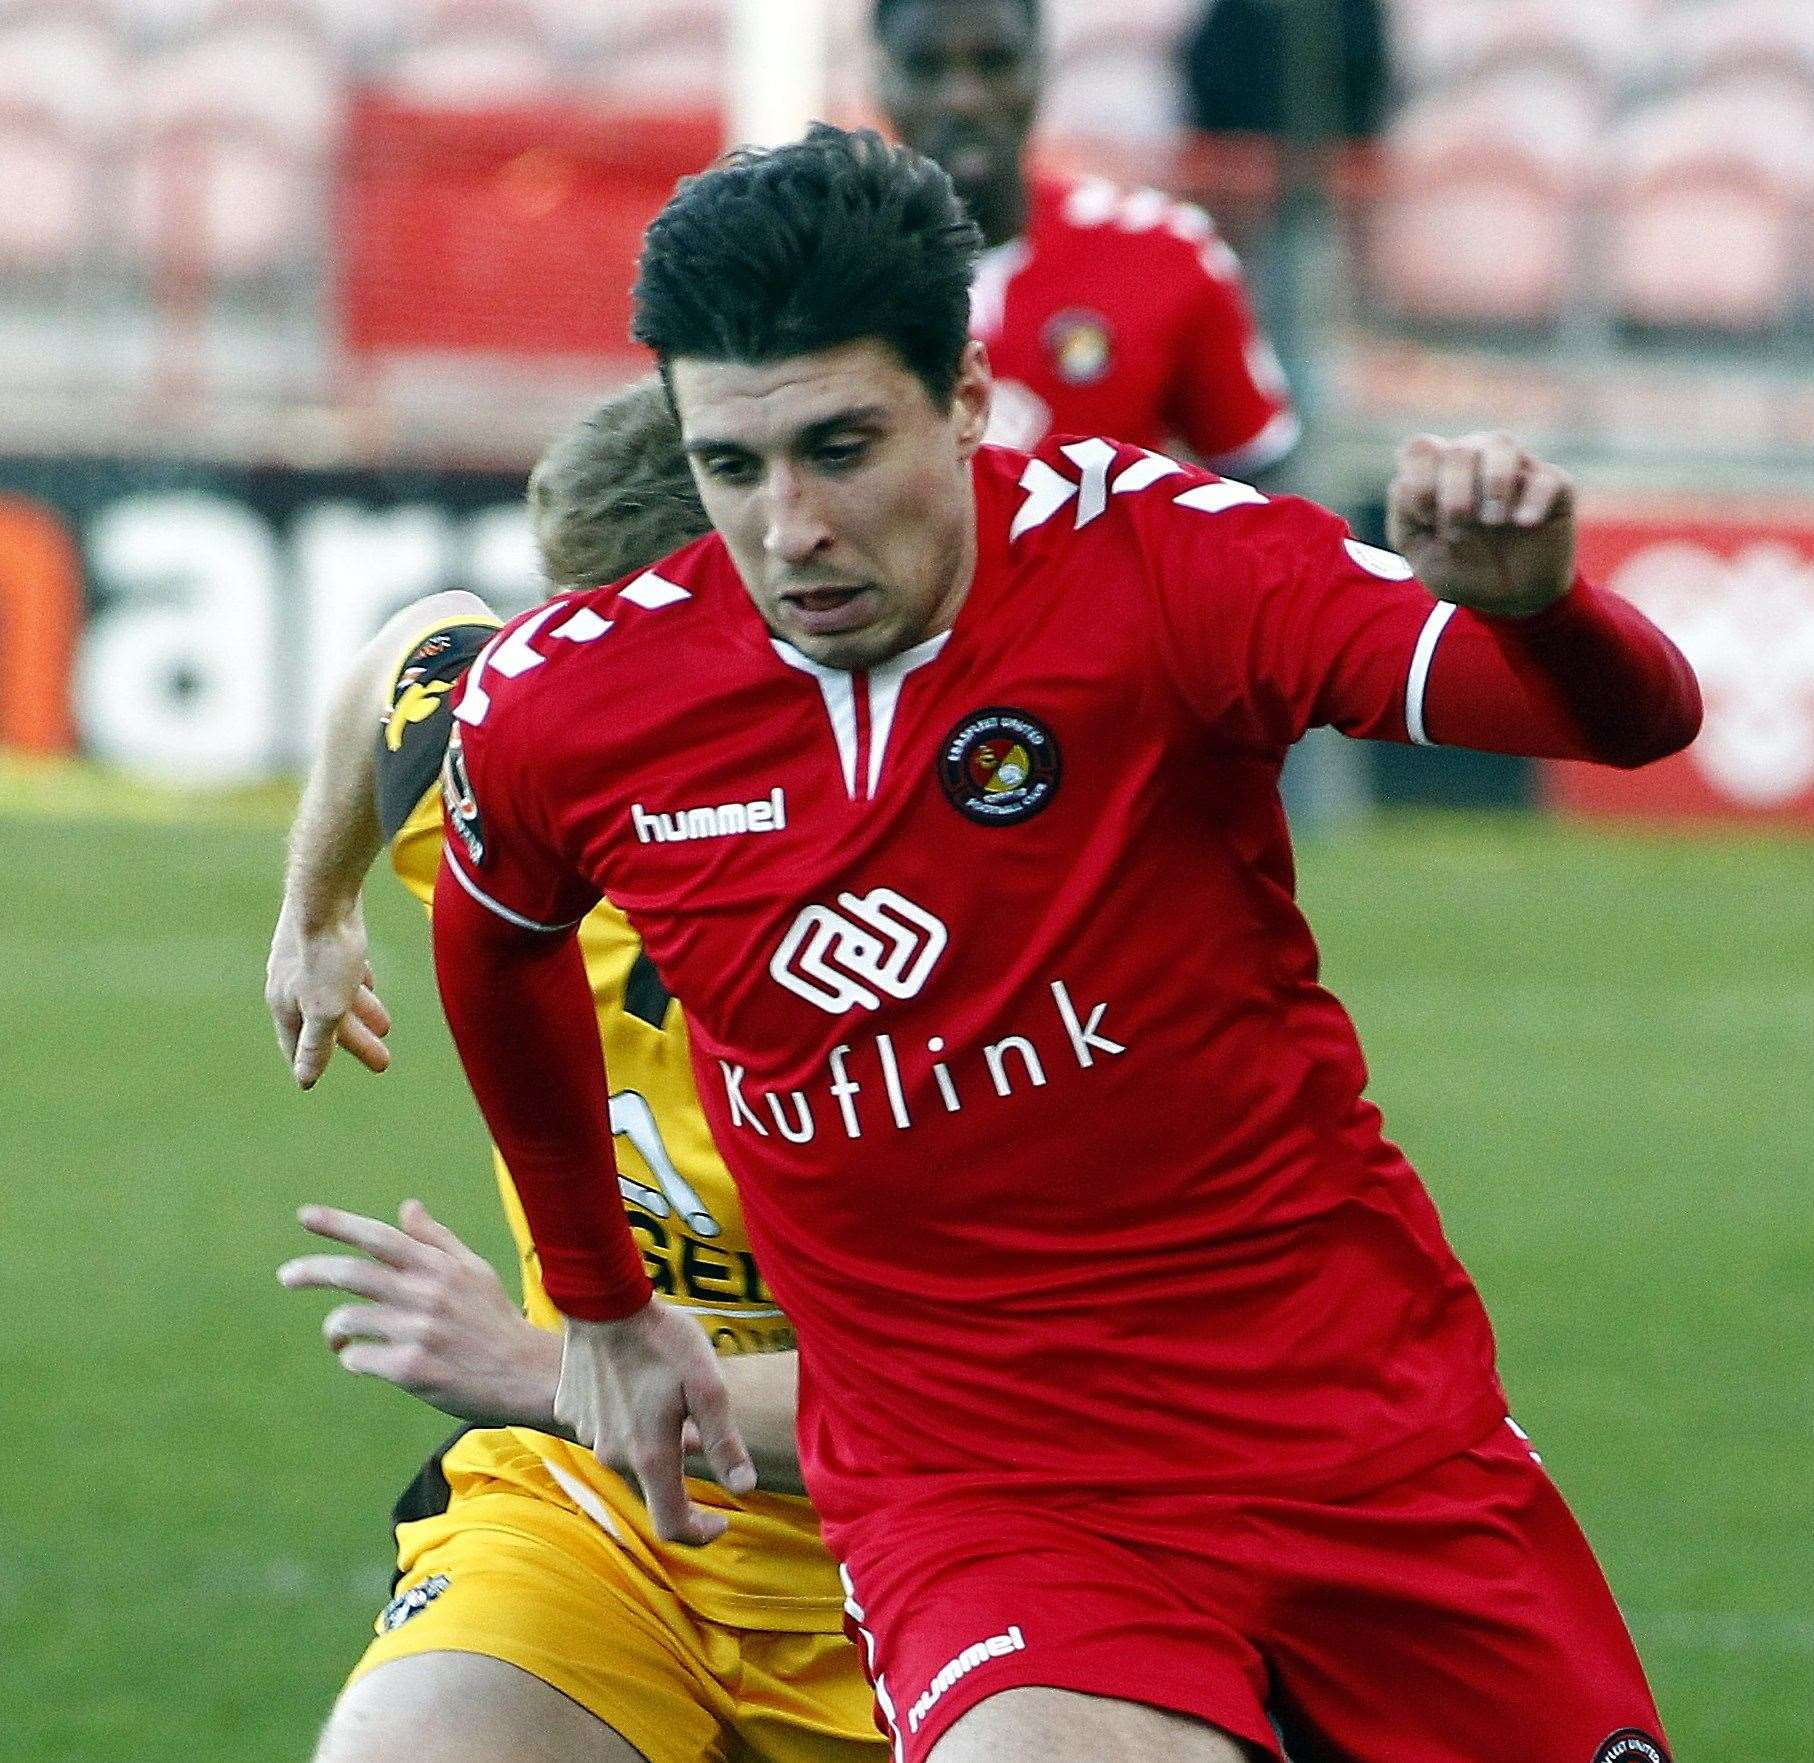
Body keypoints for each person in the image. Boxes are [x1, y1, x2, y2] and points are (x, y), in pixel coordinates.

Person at [425, 125, 1697, 1763]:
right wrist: (596, 1301)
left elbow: (1622, 721)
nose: (787, 525)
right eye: (730, 465)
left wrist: (1536, 604)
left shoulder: (1162, 555)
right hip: (986, 1491)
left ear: (964, 394)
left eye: (838, 446)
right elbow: (494, 938)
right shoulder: (573, 699)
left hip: (1354, 1431)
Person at [266, 379, 887, 1763]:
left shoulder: (944, 965)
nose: (541, 679)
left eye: (601, 645)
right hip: (600, 1518)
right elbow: (409, 653)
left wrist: (541, 1363)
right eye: (553, 629)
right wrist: (319, 909)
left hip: (936, 1563)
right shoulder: (509, 769)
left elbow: (974, 1403)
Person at [872, 0, 1300, 471]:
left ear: (1041, 69)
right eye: (924, 67)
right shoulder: (820, 271)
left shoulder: (1164, 251)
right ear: (882, 77)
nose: (963, 99)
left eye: (994, 62)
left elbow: (1257, 476)